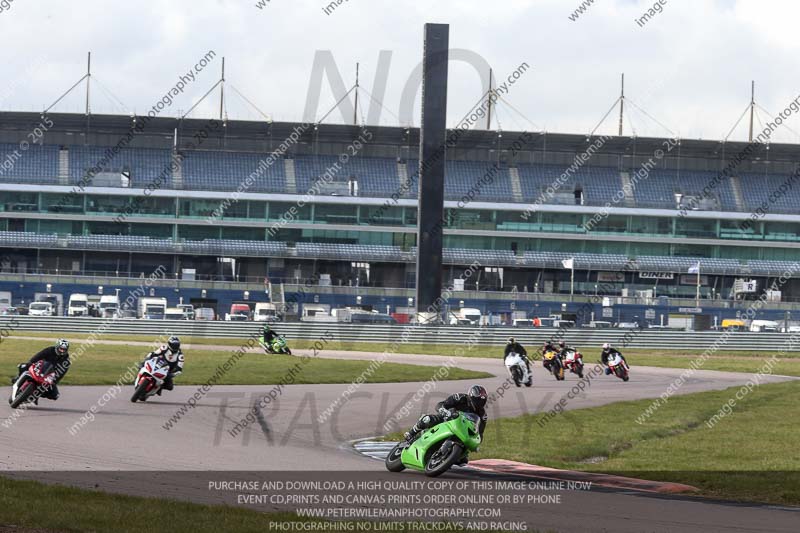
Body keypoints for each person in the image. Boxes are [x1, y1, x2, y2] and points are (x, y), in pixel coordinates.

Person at [403, 385, 489, 449]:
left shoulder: (482, 415)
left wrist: (476, 443)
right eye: (478, 400)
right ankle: (411, 433)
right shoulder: (460, 398)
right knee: (427, 419)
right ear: (471, 397)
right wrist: (446, 412)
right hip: (447, 420)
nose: (480, 403)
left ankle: (449, 455)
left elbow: (480, 433)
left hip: (462, 430)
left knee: (464, 456)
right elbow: (440, 405)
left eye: (482, 401)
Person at [12, 339, 71, 403]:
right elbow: (39, 355)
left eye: (64, 349)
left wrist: (55, 381)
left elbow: (62, 372)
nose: (62, 351)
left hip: (49, 375)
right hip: (40, 367)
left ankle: (36, 396)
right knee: (23, 366)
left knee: (55, 395)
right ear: (57, 347)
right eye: (61, 349)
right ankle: (18, 378)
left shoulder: (66, 360)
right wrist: (31, 362)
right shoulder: (50, 350)